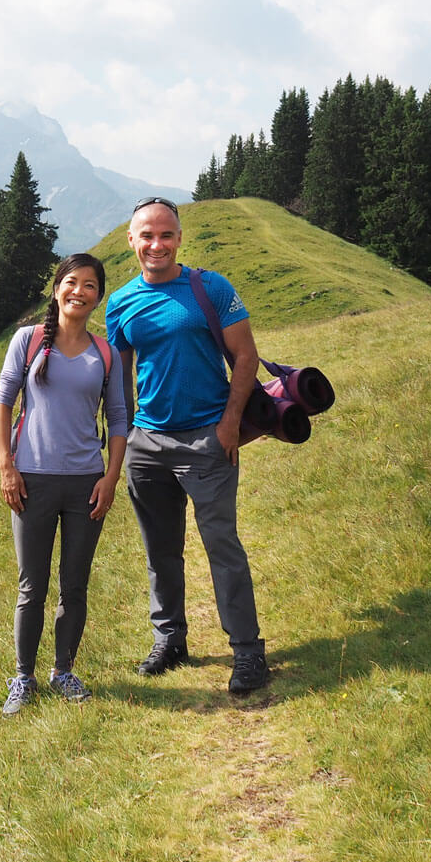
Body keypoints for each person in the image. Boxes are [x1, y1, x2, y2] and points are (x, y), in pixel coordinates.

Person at [105, 197, 271, 694]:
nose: (157, 244)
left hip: (206, 438)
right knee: (161, 550)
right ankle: (170, 639)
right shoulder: (119, 303)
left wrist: (229, 425)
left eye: (166, 235)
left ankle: (248, 652)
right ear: (131, 241)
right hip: (147, 443)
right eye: (147, 236)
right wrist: (127, 434)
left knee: (222, 545)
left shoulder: (211, 287)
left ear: (179, 238)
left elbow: (246, 357)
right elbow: (119, 378)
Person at [0, 253, 129, 715]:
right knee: (31, 584)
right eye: (72, 283)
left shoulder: (105, 352)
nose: (79, 292)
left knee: (75, 585)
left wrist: (111, 477)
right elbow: (3, 404)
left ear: (98, 296)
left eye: (90, 286)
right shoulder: (28, 341)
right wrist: (7, 468)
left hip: (86, 483)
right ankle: (23, 678)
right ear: (57, 289)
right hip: (32, 481)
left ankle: (63, 671)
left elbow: (118, 418)